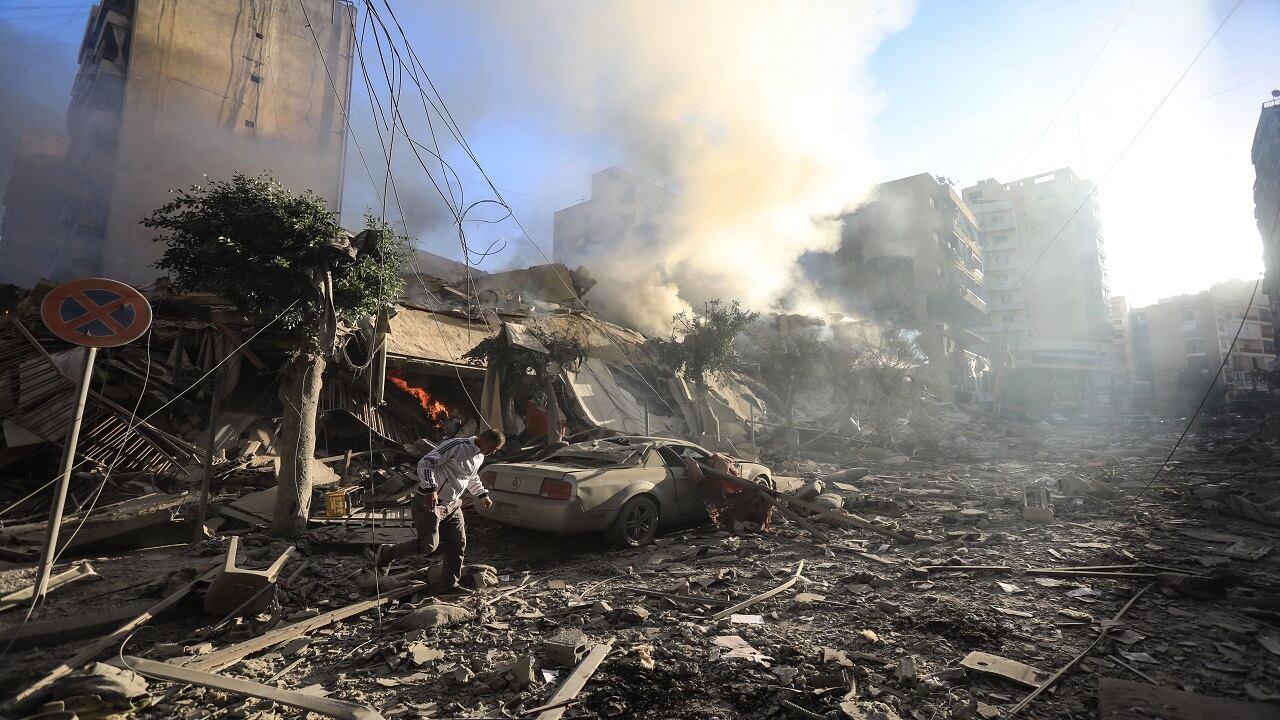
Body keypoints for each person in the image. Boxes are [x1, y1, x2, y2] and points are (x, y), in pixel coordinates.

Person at [372, 428, 506, 590]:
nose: (493, 452)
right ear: (484, 439)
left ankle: (450, 585)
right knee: (428, 546)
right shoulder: (456, 445)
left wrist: (482, 494)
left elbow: (471, 476)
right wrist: (430, 489)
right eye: (494, 447)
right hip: (429, 502)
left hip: (453, 505)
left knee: (457, 544)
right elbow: (426, 462)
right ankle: (387, 553)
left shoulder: (480, 455)